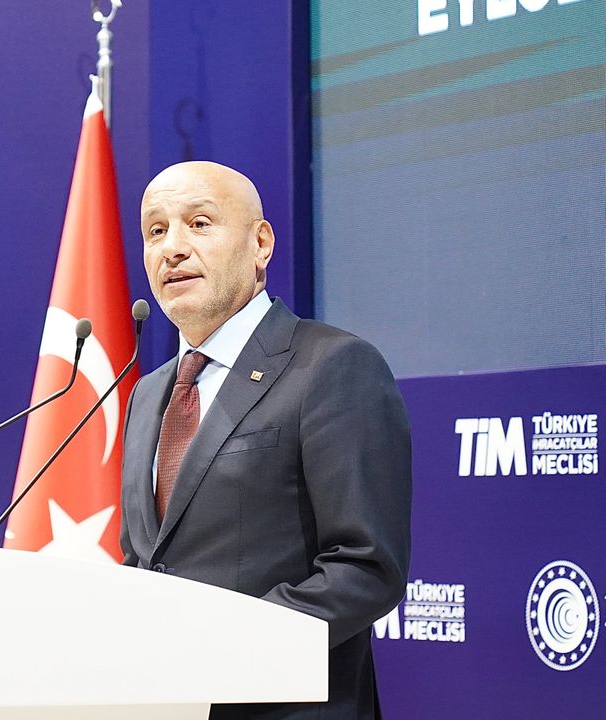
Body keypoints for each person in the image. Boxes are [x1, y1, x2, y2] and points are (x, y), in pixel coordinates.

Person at [120, 161, 411, 720]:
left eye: (199, 223)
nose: (172, 249)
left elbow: (366, 566)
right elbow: (143, 560)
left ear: (260, 244)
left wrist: (221, 650)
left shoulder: (331, 367)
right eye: (155, 231)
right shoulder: (147, 392)